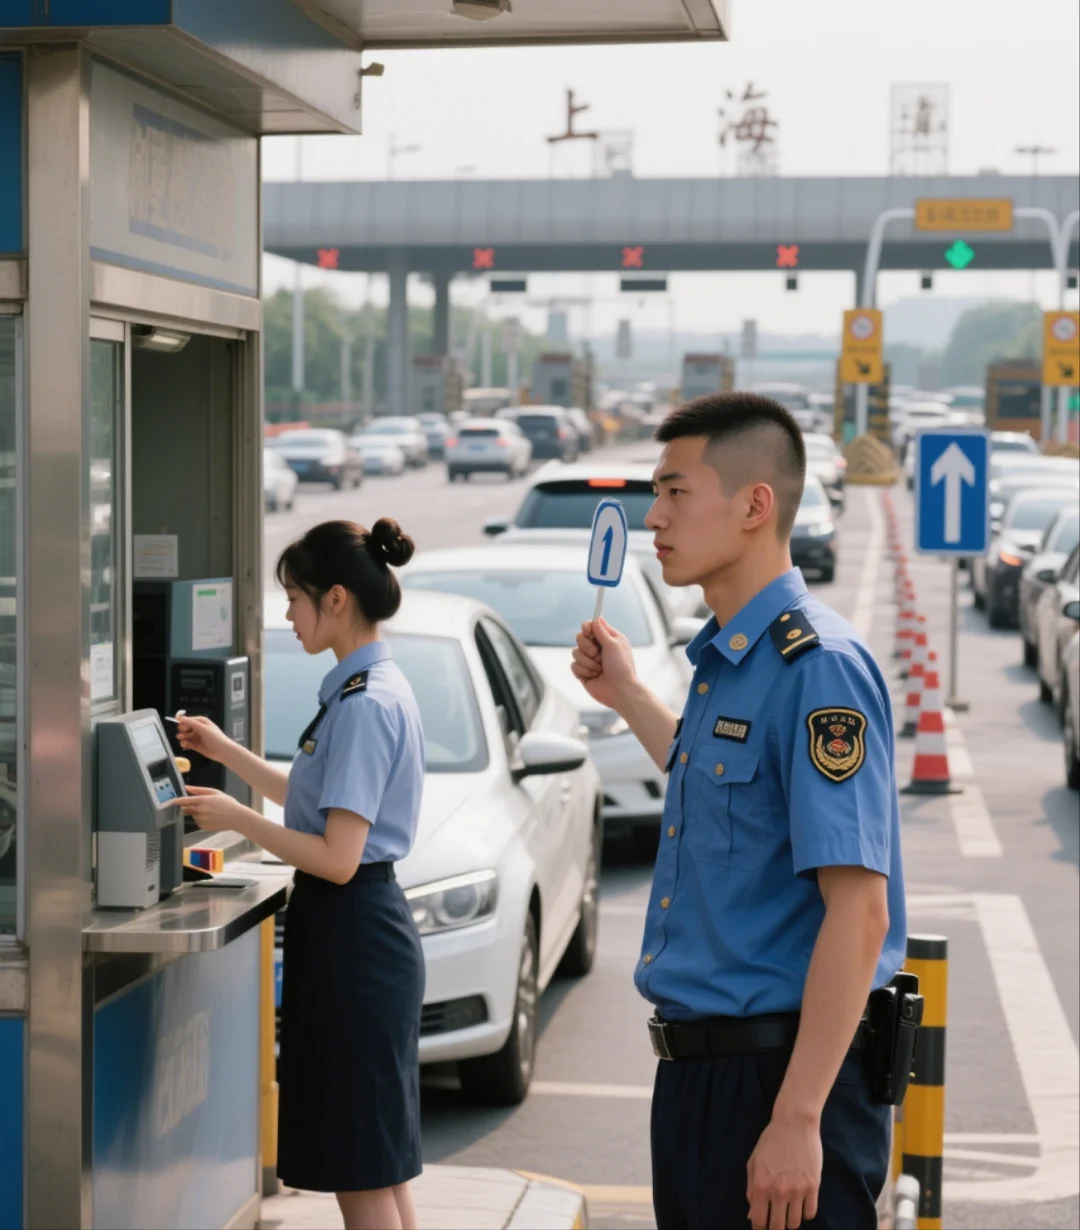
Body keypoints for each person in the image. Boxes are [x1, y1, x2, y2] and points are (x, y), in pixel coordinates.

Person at [571, 393, 906, 1230]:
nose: (653, 517)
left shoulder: (816, 666)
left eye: (677, 492)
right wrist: (627, 696)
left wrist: (796, 1119)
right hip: (696, 1080)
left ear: (756, 505)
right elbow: (714, 786)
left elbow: (859, 913)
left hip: (780, 1081)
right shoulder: (730, 659)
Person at [170, 518, 426, 1230]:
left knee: (362, 1171)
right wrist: (228, 752)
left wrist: (235, 818)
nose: (287, 616)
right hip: (360, 939)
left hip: (356, 941)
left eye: (294, 598)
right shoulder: (365, 688)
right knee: (378, 1165)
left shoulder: (366, 705)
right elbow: (313, 802)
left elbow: (338, 858)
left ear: (335, 598)